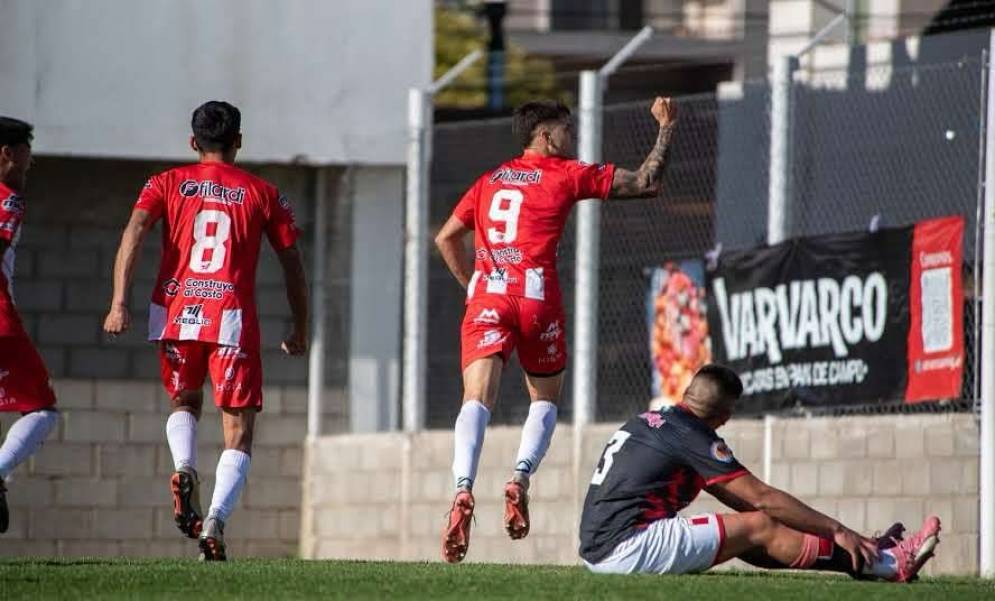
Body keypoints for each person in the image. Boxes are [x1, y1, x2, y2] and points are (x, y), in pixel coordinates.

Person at [435, 97, 679, 563]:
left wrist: (475, 286)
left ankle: (463, 487)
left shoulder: (489, 181)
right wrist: (666, 128)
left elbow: (446, 237)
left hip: (489, 294)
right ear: (545, 135)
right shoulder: (565, 174)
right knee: (543, 400)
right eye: (566, 129)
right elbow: (647, 182)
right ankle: (520, 477)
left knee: (476, 399)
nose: (573, 137)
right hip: (536, 296)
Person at [103, 101, 309, 560]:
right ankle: (214, 521)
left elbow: (134, 230)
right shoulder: (263, 192)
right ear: (238, 141)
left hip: (175, 310)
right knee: (238, 431)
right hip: (230, 317)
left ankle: (183, 467)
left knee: (184, 400)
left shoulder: (163, 183)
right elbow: (292, 262)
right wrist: (300, 326)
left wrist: (119, 301)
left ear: (193, 143)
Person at [579, 363, 940, 582]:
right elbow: (763, 500)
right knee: (758, 525)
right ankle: (890, 565)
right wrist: (838, 529)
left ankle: (868, 554)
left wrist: (852, 537)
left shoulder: (651, 421)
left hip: (600, 548)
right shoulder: (693, 436)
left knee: (749, 529)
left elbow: (743, 502)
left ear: (688, 393)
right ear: (725, 415)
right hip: (627, 549)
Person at [0, 117, 60, 534]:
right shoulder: (9, 198)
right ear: (7, 153)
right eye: (26, 151)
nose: (30, 161)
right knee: (41, 408)